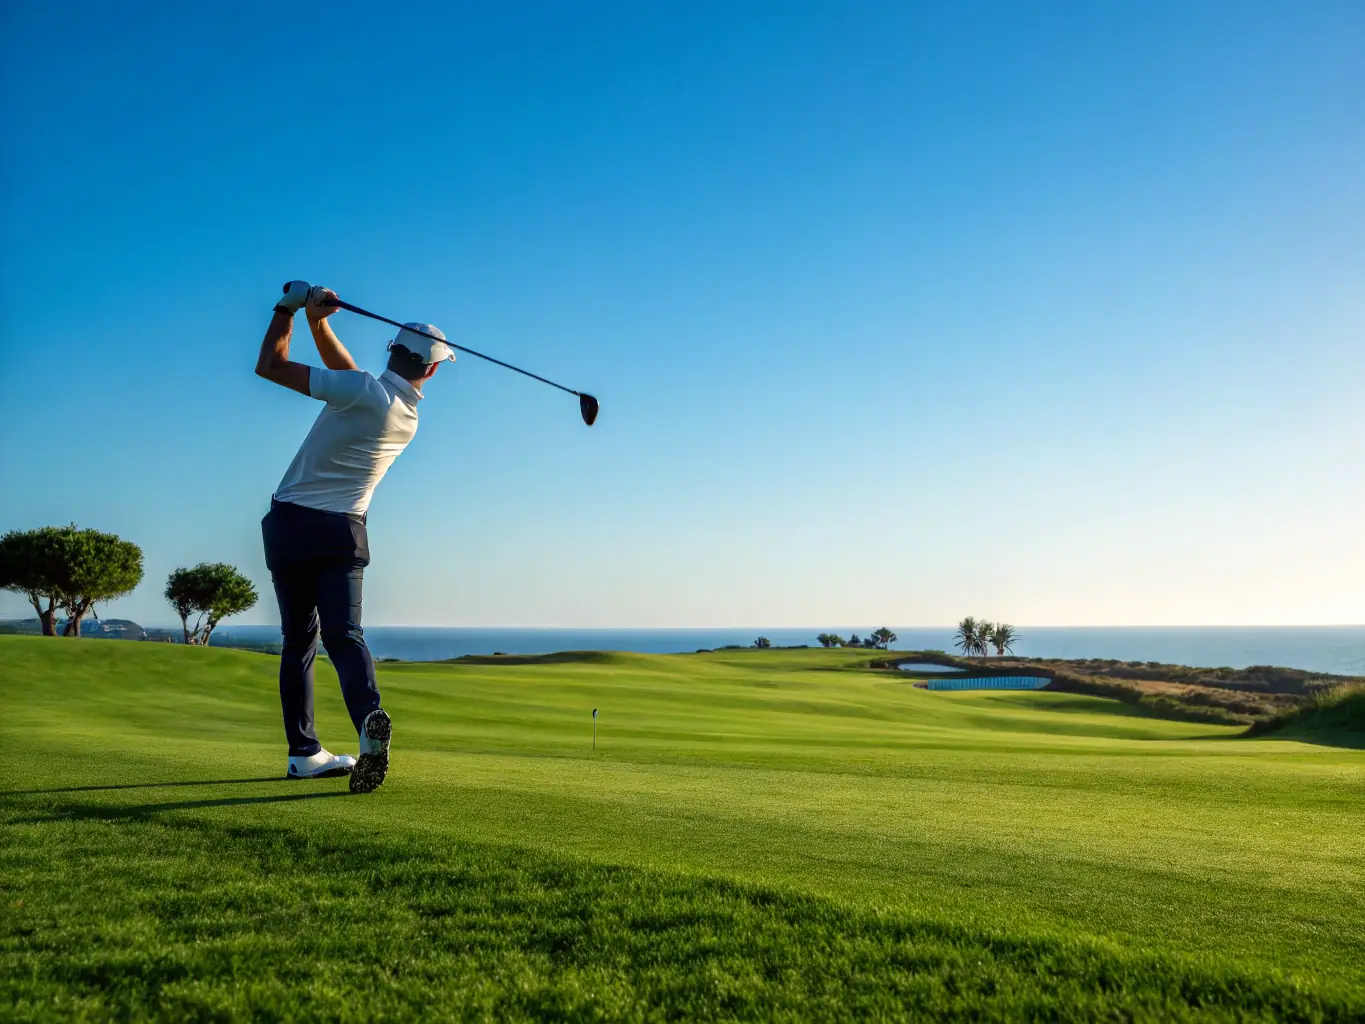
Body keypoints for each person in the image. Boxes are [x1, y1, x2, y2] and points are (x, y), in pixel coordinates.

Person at [254, 280, 454, 793]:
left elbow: (271, 366)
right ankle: (368, 717)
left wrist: (289, 308)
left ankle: (303, 752)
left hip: (288, 525)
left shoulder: (364, 391)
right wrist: (321, 323)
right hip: (342, 531)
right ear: (431, 369)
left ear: (393, 350)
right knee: (345, 636)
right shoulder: (403, 414)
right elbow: (350, 377)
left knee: (298, 642)